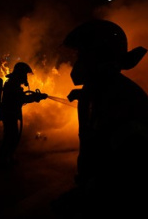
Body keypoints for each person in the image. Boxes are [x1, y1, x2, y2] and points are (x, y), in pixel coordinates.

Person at [51, 19, 148, 218]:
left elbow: (127, 167)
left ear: (99, 57)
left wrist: (91, 195)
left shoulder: (120, 98)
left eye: (81, 54)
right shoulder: (99, 90)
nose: (76, 62)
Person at [0, 62, 48, 168]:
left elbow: (20, 97)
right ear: (21, 73)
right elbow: (20, 99)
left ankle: (7, 158)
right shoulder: (13, 84)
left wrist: (35, 97)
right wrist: (36, 97)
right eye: (25, 74)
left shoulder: (13, 83)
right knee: (10, 137)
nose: (26, 76)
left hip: (10, 113)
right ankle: (3, 160)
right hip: (9, 114)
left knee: (12, 136)